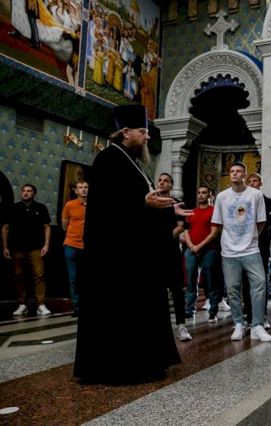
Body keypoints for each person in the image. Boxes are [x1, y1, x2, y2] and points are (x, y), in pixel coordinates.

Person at [74, 104, 188, 383]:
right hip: (115, 260)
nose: (147, 136)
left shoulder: (130, 161)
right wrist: (144, 204)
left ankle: (147, 361)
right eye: (143, 131)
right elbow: (107, 211)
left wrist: (167, 209)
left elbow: (140, 203)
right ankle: (123, 368)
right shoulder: (108, 160)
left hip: (135, 255)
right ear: (125, 132)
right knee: (121, 314)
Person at [210, 162, 271, 342]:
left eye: (238, 171)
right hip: (229, 251)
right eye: (232, 171)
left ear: (244, 175)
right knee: (232, 288)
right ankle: (238, 323)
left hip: (251, 249)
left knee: (259, 284)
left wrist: (250, 237)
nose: (235, 174)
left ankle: (257, 325)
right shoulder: (222, 197)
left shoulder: (255, 195)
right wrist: (231, 239)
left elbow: (261, 222)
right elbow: (218, 223)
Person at [2, 183, 52, 317]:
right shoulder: (13, 208)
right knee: (19, 275)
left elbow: (47, 227)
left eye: (29, 191)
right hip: (17, 247)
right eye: (23, 190)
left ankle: (41, 305)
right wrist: (5, 247)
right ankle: (22, 304)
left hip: (36, 247)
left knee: (39, 275)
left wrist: (46, 245)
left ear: (34, 193)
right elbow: (5, 228)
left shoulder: (41, 208)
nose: (25, 193)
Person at [156, 172, 191, 342]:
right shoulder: (152, 203)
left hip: (171, 252)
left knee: (177, 290)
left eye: (166, 181)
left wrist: (163, 237)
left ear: (171, 185)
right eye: (160, 180)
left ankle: (181, 326)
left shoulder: (176, 203)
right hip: (154, 253)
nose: (162, 183)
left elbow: (181, 226)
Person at [183, 185, 223, 324]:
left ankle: (213, 313)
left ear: (210, 195)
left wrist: (199, 246)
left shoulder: (214, 211)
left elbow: (214, 233)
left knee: (211, 282)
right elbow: (186, 231)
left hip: (209, 250)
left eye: (204, 193)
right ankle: (189, 310)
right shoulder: (192, 212)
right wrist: (191, 246)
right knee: (190, 282)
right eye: (199, 192)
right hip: (191, 250)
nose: (201, 195)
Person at [245, 173, 271, 327]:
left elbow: (267, 222)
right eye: (249, 181)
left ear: (261, 183)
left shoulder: (269, 202)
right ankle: (248, 315)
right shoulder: (242, 201)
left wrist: (251, 233)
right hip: (244, 246)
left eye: (255, 181)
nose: (252, 183)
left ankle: (262, 316)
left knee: (261, 281)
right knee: (246, 281)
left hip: (261, 246)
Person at [61, 179, 88, 317]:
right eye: (80, 187)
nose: (83, 189)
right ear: (76, 191)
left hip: (87, 246)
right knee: (73, 277)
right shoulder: (70, 205)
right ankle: (77, 306)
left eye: (86, 187)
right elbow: (64, 225)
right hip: (71, 245)